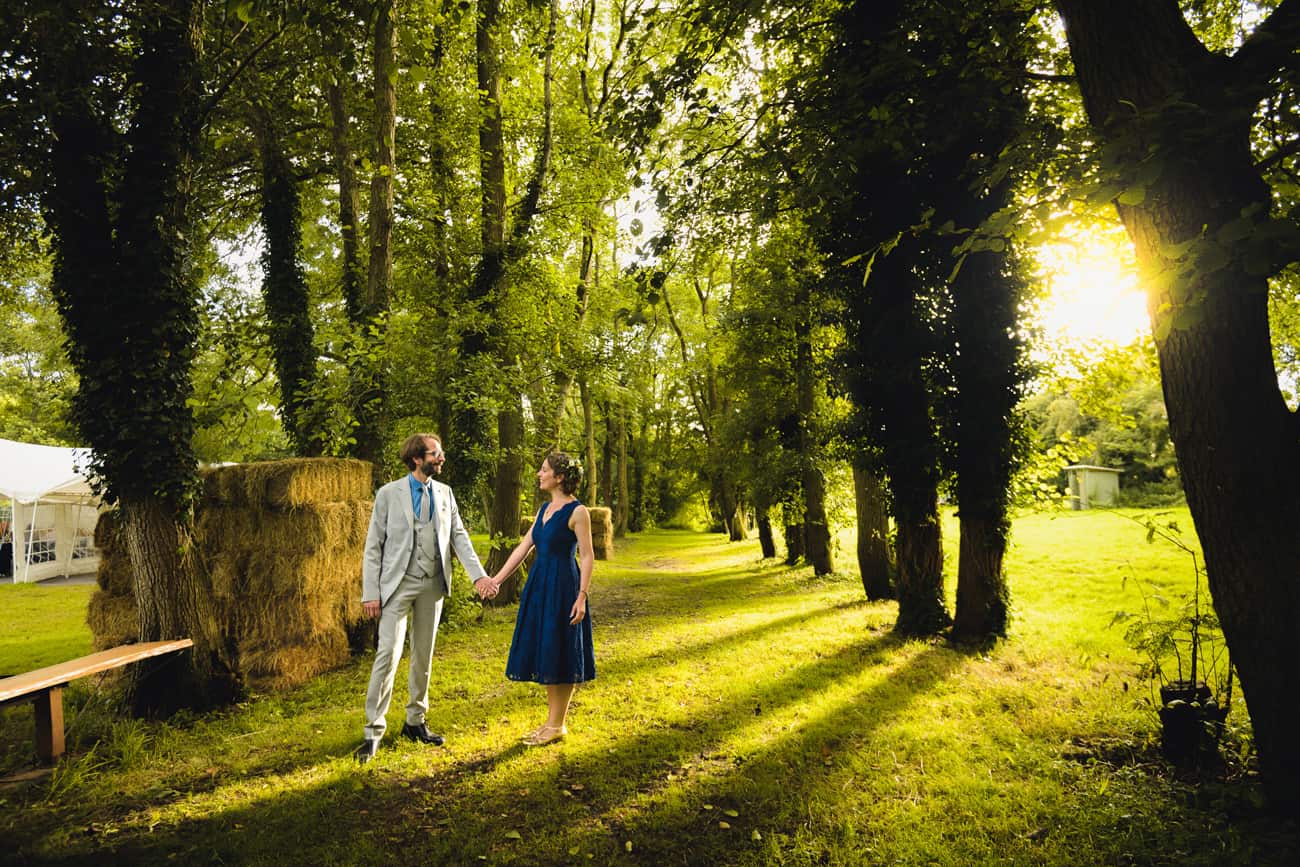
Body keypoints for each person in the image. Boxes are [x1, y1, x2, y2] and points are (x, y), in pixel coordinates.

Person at [356, 433, 492, 764]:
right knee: (387, 654)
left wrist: (479, 576)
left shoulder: (445, 493)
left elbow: (459, 536)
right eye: (436, 453)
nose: (441, 458)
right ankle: (373, 732)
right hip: (397, 586)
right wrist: (370, 592)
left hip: (432, 585)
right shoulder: (389, 494)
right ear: (418, 458)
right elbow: (374, 546)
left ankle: (415, 722)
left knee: (423, 655)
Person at [479, 452, 595, 745]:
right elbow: (522, 549)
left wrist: (582, 596)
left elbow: (588, 555)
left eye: (544, 470)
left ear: (559, 477)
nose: (539, 474)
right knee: (547, 647)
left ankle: (558, 725)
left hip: (565, 586)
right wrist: (495, 580)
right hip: (540, 585)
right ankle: (551, 723)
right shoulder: (544, 510)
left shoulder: (578, 512)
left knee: (562, 649)